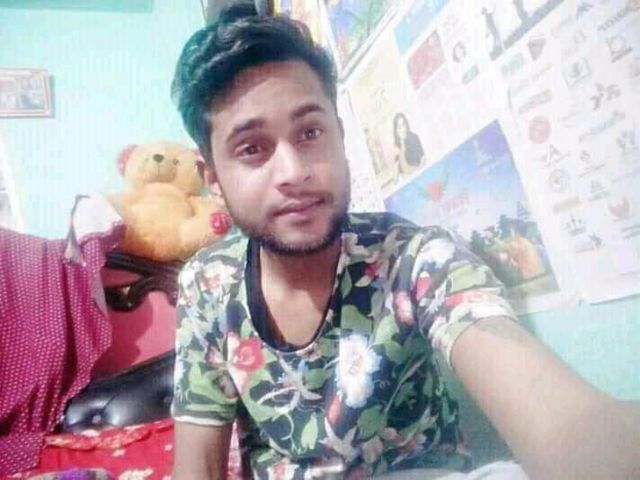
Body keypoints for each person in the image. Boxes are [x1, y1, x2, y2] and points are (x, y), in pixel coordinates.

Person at [170, 4, 640, 480]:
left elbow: (569, 425)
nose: (294, 172)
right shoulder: (208, 286)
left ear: (339, 135)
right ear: (213, 177)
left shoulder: (413, 258)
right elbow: (198, 466)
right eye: (252, 148)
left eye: (310, 132)